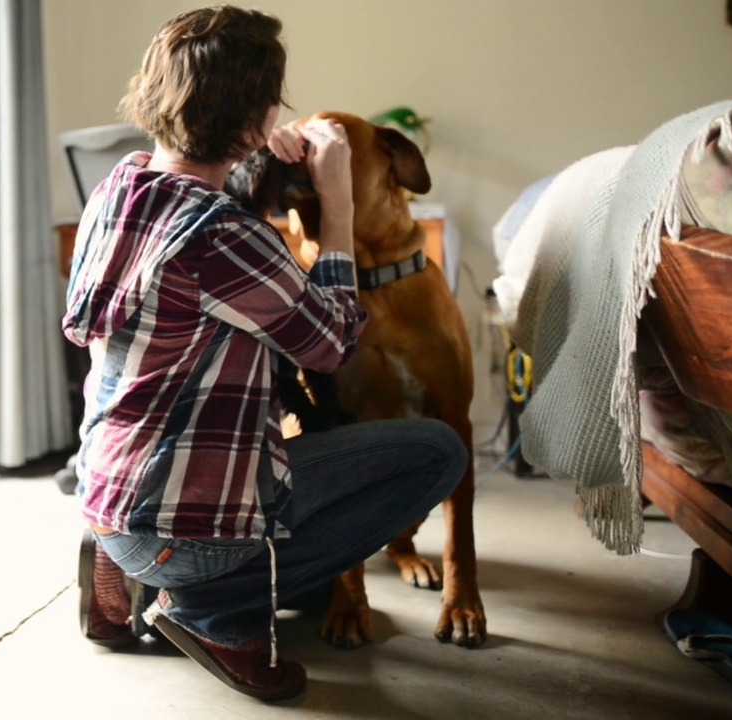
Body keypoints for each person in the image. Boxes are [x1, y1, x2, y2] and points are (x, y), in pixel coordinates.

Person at [61, 5, 466, 702]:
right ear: (254, 120)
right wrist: (335, 203)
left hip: (108, 496)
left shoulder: (116, 189)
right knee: (438, 452)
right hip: (181, 527)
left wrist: (252, 164)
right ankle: (211, 613)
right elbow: (334, 343)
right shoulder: (222, 234)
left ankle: (122, 565)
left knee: (308, 595)